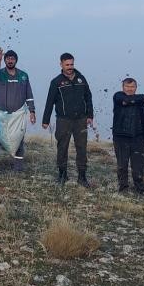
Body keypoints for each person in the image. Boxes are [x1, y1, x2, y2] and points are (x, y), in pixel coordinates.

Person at [42, 52, 95, 187]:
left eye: (71, 64)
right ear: (61, 64)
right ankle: (62, 175)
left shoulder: (81, 79)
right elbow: (50, 102)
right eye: (67, 65)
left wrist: (90, 115)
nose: (70, 67)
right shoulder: (56, 82)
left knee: (82, 148)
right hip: (63, 120)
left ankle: (82, 177)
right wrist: (45, 120)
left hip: (81, 120)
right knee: (62, 147)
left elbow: (88, 97)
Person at [0, 48, 36, 172]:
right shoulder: (0, 73)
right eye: (7, 58)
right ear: (5, 60)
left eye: (12, 58)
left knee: (18, 142)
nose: (10, 60)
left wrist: (32, 111)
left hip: (18, 116)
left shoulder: (23, 76)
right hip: (1, 116)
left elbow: (28, 94)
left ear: (16, 60)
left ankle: (18, 169)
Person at [111, 78, 144, 195]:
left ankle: (139, 190)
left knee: (138, 167)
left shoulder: (140, 102)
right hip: (121, 137)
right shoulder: (118, 97)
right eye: (127, 87)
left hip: (138, 138)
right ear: (123, 88)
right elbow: (127, 100)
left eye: (132, 87)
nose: (129, 89)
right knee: (122, 166)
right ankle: (123, 189)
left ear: (136, 88)